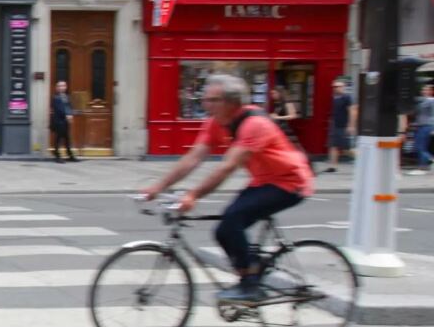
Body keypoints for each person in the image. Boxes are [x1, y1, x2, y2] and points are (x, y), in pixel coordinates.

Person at [141, 74, 314, 305]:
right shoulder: (215, 122)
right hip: (264, 180)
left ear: (232, 103)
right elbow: (194, 157)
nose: (206, 105)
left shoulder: (255, 124)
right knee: (223, 230)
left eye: (213, 100)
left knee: (233, 219)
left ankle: (250, 286)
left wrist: (193, 195)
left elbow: (227, 167)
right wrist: (158, 187)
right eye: (205, 99)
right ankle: (251, 271)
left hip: (291, 182)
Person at [325, 79, 357, 173]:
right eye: (334, 87)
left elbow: (353, 111)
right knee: (333, 145)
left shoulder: (347, 97)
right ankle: (333, 166)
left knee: (346, 149)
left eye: (338, 86)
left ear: (343, 87)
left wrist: (351, 125)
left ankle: (361, 160)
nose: (336, 88)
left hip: (343, 125)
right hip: (335, 124)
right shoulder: (334, 97)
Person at [49, 81, 78, 163]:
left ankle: (70, 155)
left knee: (67, 138)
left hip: (66, 121)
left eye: (64, 85)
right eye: (60, 86)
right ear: (57, 88)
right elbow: (59, 109)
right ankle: (57, 156)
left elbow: (69, 106)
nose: (62, 87)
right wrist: (67, 115)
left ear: (66, 87)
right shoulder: (55, 97)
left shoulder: (67, 96)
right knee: (58, 139)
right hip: (59, 121)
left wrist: (71, 114)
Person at [408, 84, 434, 175]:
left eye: (427, 90)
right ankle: (422, 165)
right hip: (420, 126)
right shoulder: (422, 100)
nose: (424, 91)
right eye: (423, 90)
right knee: (419, 147)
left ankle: (425, 163)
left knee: (420, 147)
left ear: (431, 91)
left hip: (427, 126)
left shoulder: (431, 101)